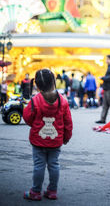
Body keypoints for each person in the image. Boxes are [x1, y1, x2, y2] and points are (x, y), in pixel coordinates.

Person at [23, 69, 73, 201]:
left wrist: (34, 124)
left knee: (39, 165)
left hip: (38, 141)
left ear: (37, 85)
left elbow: (27, 117)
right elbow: (68, 122)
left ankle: (35, 191)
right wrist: (66, 137)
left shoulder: (35, 100)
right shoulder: (63, 101)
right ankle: (52, 191)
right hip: (56, 141)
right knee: (54, 165)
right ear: (53, 82)